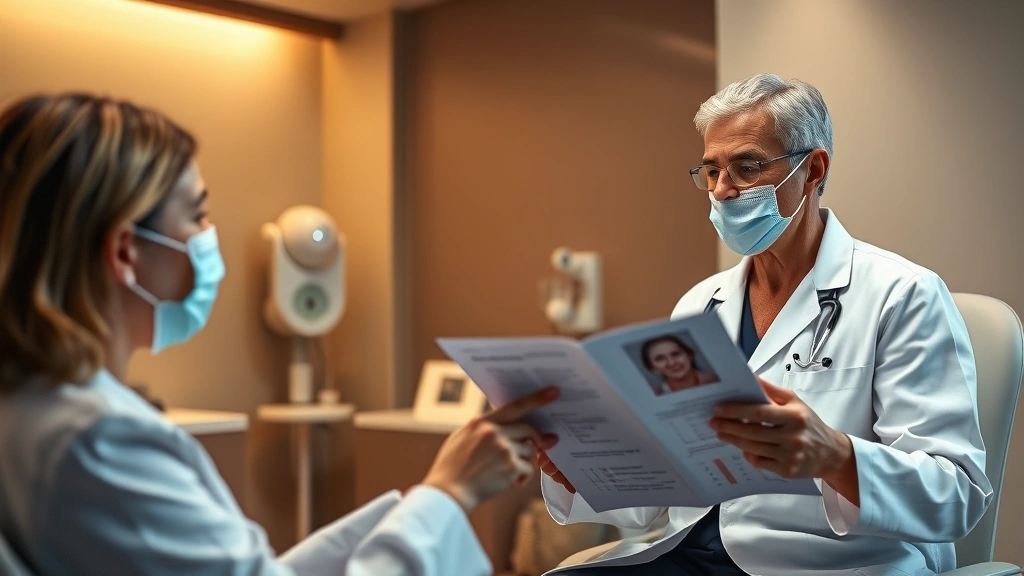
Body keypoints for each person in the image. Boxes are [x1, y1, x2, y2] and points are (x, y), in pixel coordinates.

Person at [0, 93, 559, 576]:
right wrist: (449, 496)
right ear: (125, 251)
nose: (208, 238)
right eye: (197, 216)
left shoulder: (32, 409)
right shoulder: (100, 441)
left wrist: (422, 502)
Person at [537, 74, 991, 575]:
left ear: (813, 169)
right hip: (689, 553)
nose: (723, 191)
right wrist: (581, 469)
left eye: (746, 167)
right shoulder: (699, 305)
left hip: (831, 563)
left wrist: (835, 457)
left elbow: (956, 495)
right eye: (711, 171)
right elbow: (656, 498)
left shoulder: (902, 294)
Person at [640, 335, 717, 395]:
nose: (671, 363)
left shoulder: (716, 380)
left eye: (676, 354)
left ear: (690, 355)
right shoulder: (656, 395)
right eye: (660, 359)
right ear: (651, 367)